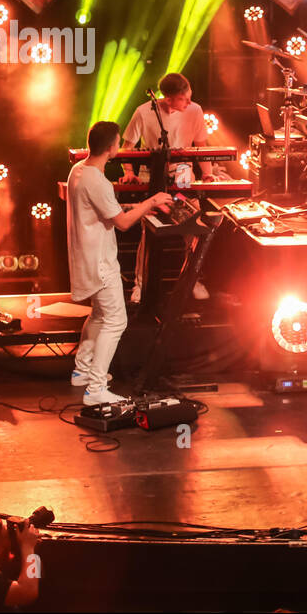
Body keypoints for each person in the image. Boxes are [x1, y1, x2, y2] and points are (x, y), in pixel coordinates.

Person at [67, 120, 173, 404]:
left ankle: (83, 370)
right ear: (113, 148)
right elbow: (124, 224)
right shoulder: (97, 181)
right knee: (115, 320)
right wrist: (150, 203)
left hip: (86, 258)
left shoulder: (78, 170)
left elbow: (105, 212)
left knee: (100, 315)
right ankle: (96, 389)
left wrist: (130, 206)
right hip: (100, 262)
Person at [119, 72, 217, 303]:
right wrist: (130, 173)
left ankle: (193, 280)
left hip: (182, 173)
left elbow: (200, 146)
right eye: (184, 98)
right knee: (149, 230)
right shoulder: (144, 112)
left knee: (190, 227)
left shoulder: (195, 111)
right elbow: (127, 147)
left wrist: (208, 174)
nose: (189, 102)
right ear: (169, 98)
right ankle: (140, 286)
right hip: (152, 176)